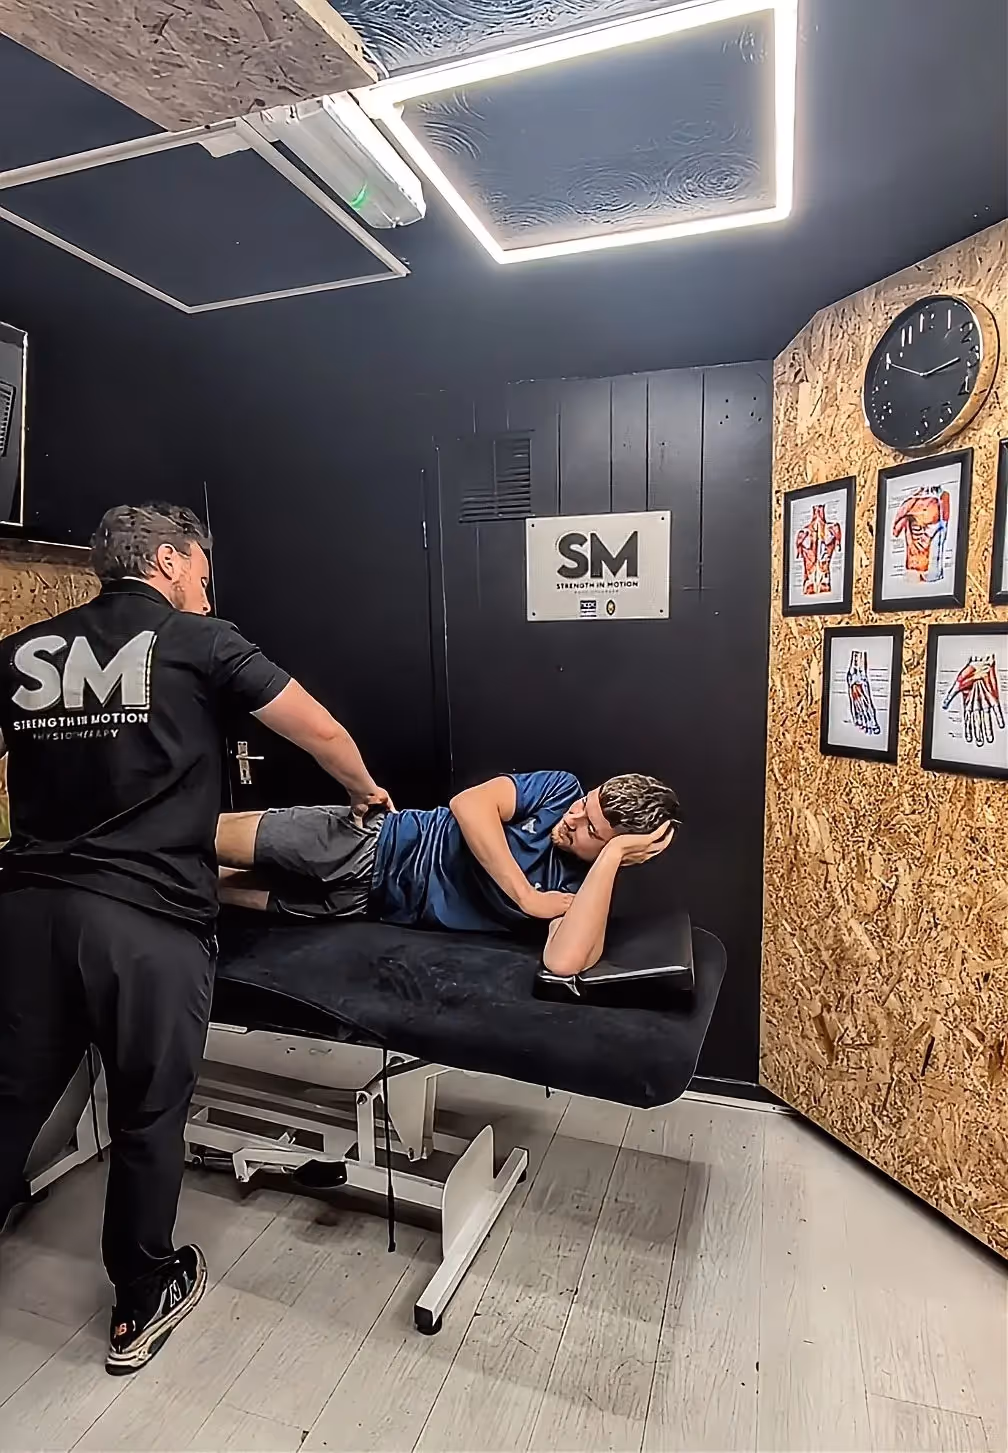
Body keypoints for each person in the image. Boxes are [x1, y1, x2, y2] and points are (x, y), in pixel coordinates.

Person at [0, 502, 391, 1375]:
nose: (207, 583)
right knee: (148, 1114)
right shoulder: (200, 639)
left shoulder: (25, 651)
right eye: (202, 568)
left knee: (8, 1098)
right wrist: (365, 791)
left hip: (29, 913)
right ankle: (141, 1300)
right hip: (144, 923)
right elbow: (318, 728)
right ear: (170, 561)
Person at [216, 770, 680, 978]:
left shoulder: (583, 890)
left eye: (592, 831)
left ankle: (141, 884)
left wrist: (612, 856)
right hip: (374, 841)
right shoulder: (559, 791)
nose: (573, 819)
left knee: (210, 885)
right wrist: (526, 897)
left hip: (367, 904)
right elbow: (469, 804)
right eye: (587, 803)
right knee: (199, 836)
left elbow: (564, 962)